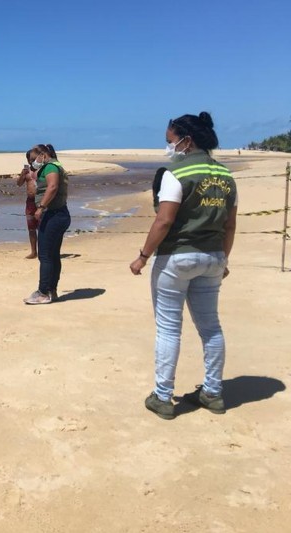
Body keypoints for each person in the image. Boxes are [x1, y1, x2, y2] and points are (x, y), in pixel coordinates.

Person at [130, 111, 237, 420]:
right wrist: (224, 259)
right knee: (211, 327)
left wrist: (143, 256)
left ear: (186, 141)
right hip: (213, 257)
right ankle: (212, 392)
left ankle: (163, 397)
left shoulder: (176, 172)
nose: (168, 146)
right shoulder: (226, 176)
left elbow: (164, 220)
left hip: (177, 257)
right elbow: (230, 225)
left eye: (170, 140)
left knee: (168, 328)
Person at [24, 144, 70, 305]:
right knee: (53, 255)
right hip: (58, 214)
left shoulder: (50, 167)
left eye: (34, 159)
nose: (32, 162)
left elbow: (53, 187)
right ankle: (52, 290)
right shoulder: (53, 166)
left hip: (53, 215)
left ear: (43, 155)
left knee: (44, 255)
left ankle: (43, 292)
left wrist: (41, 207)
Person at [16, 149, 38, 259]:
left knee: (43, 227)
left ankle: (44, 250)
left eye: (33, 159)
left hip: (40, 201)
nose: (31, 161)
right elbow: (19, 184)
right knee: (31, 228)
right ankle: (34, 252)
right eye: (29, 159)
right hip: (30, 201)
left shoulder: (42, 169)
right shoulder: (26, 171)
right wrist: (22, 175)